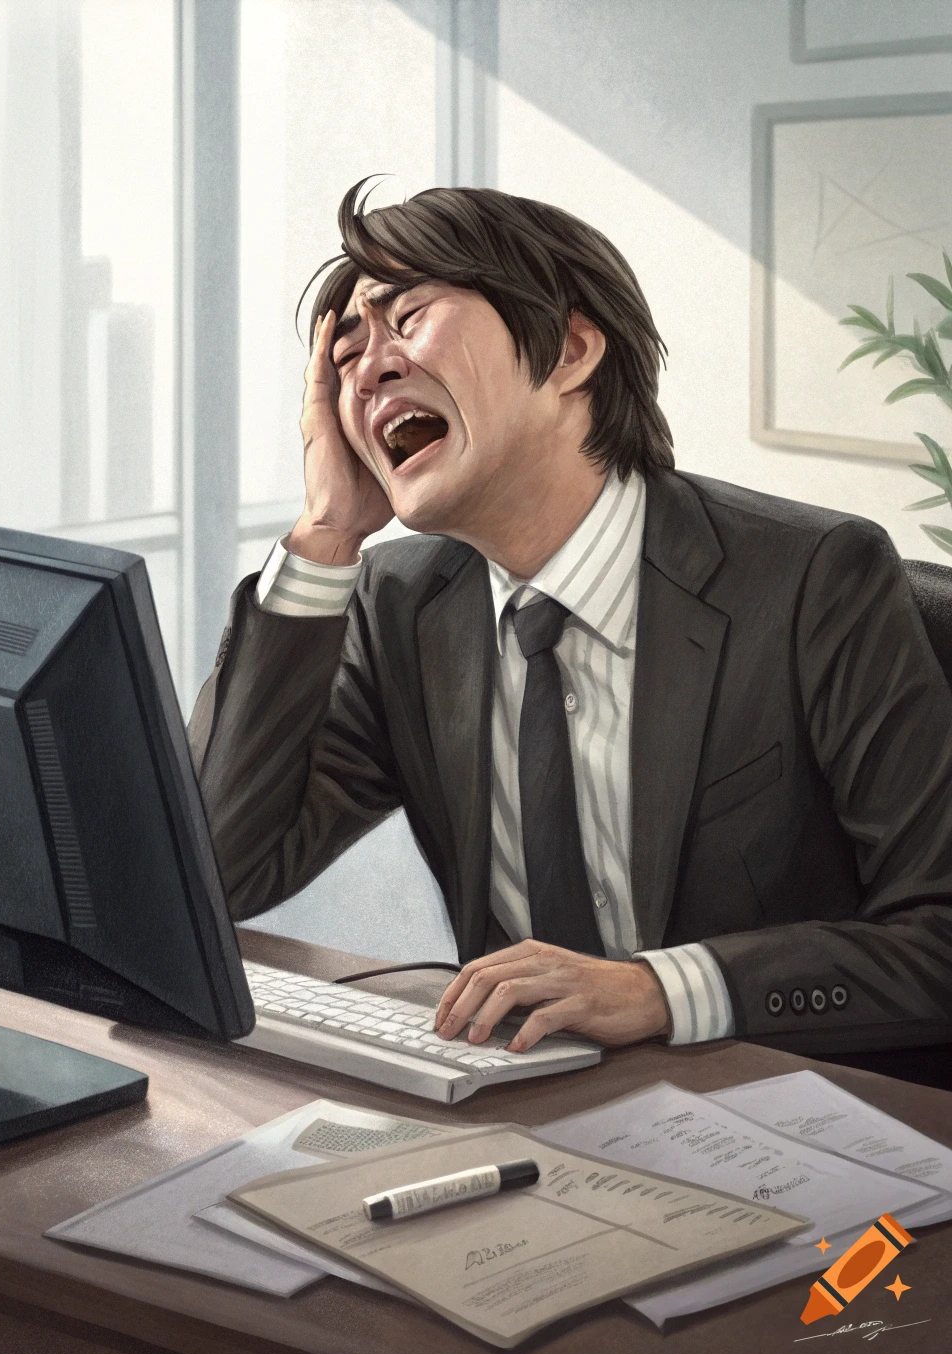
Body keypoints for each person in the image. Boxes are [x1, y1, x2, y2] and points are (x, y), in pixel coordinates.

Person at [188, 180, 952, 1069]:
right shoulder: (397, 607)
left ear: (571, 350)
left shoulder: (816, 579)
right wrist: (325, 537)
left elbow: (939, 935)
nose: (368, 367)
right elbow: (216, 871)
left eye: (407, 317)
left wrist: (661, 989)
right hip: (539, 1118)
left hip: (817, 1129)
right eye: (346, 351)